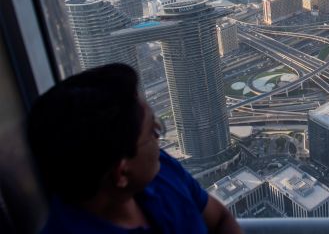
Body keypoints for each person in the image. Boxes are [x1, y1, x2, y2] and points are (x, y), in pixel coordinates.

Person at [27, 63, 241, 234]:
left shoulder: (162, 171)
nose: (160, 139)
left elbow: (220, 220)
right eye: (152, 132)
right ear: (121, 173)